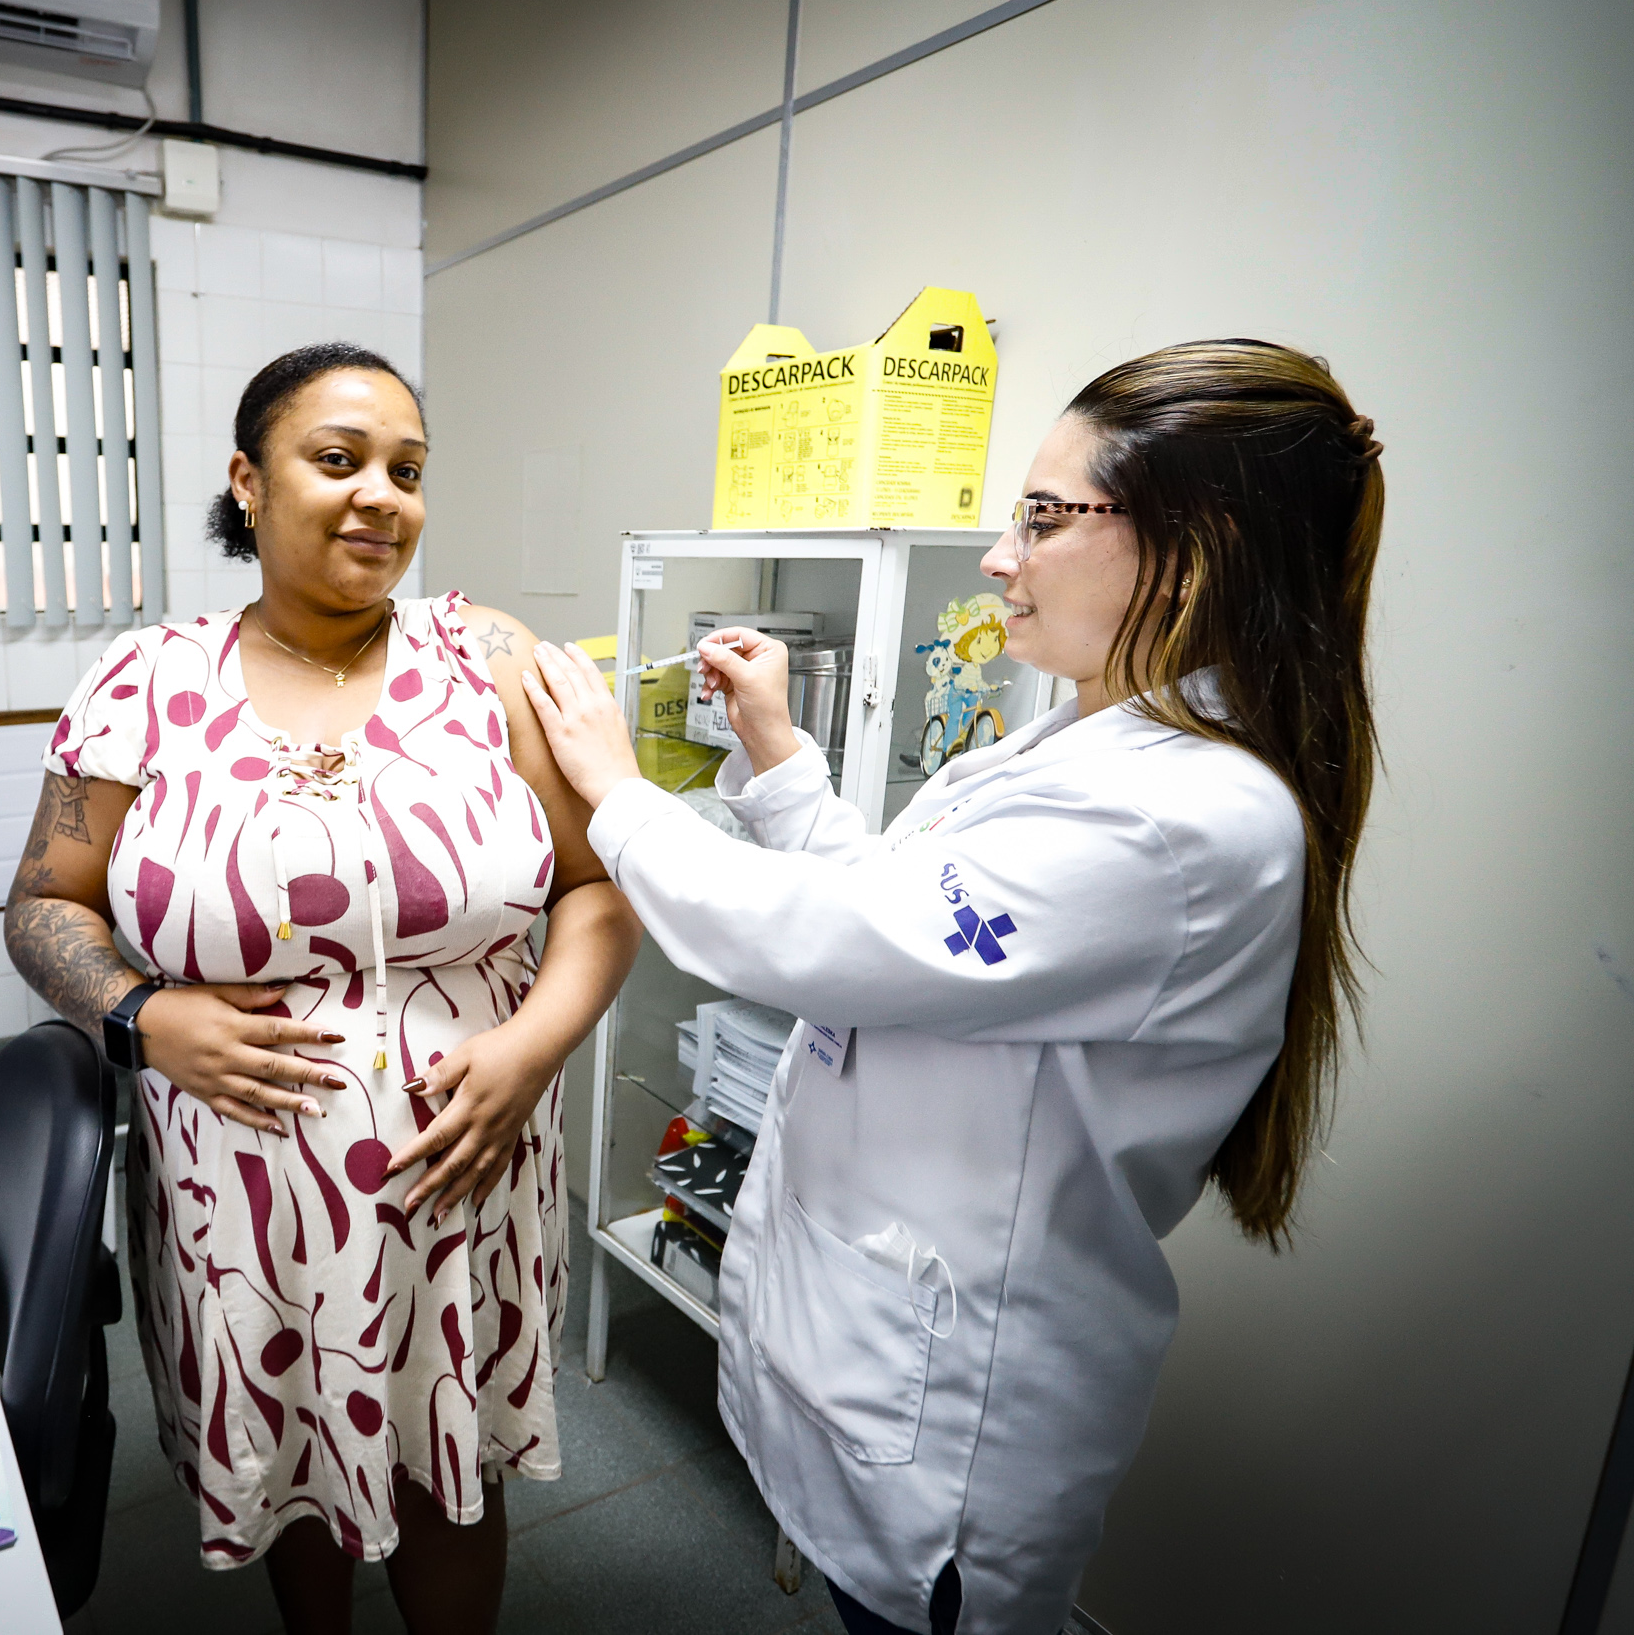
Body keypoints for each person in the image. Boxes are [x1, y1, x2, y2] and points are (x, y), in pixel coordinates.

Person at [520, 340, 1384, 1635]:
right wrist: (777, 751)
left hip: (956, 1415)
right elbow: (901, 914)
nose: (997, 557)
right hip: (884, 1338)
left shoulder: (1177, 819)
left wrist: (616, 789)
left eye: (1042, 517)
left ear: (1195, 551)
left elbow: (810, 939)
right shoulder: (1087, 745)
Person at [5, 343, 639, 1635]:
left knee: (447, 1467)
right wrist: (140, 1014)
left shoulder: (490, 662)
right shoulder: (144, 684)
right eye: (339, 460)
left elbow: (600, 887)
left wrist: (534, 1047)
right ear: (249, 481)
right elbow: (41, 905)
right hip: (240, 1197)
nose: (381, 496)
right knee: (291, 1454)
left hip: (463, 1170)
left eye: (408, 470)